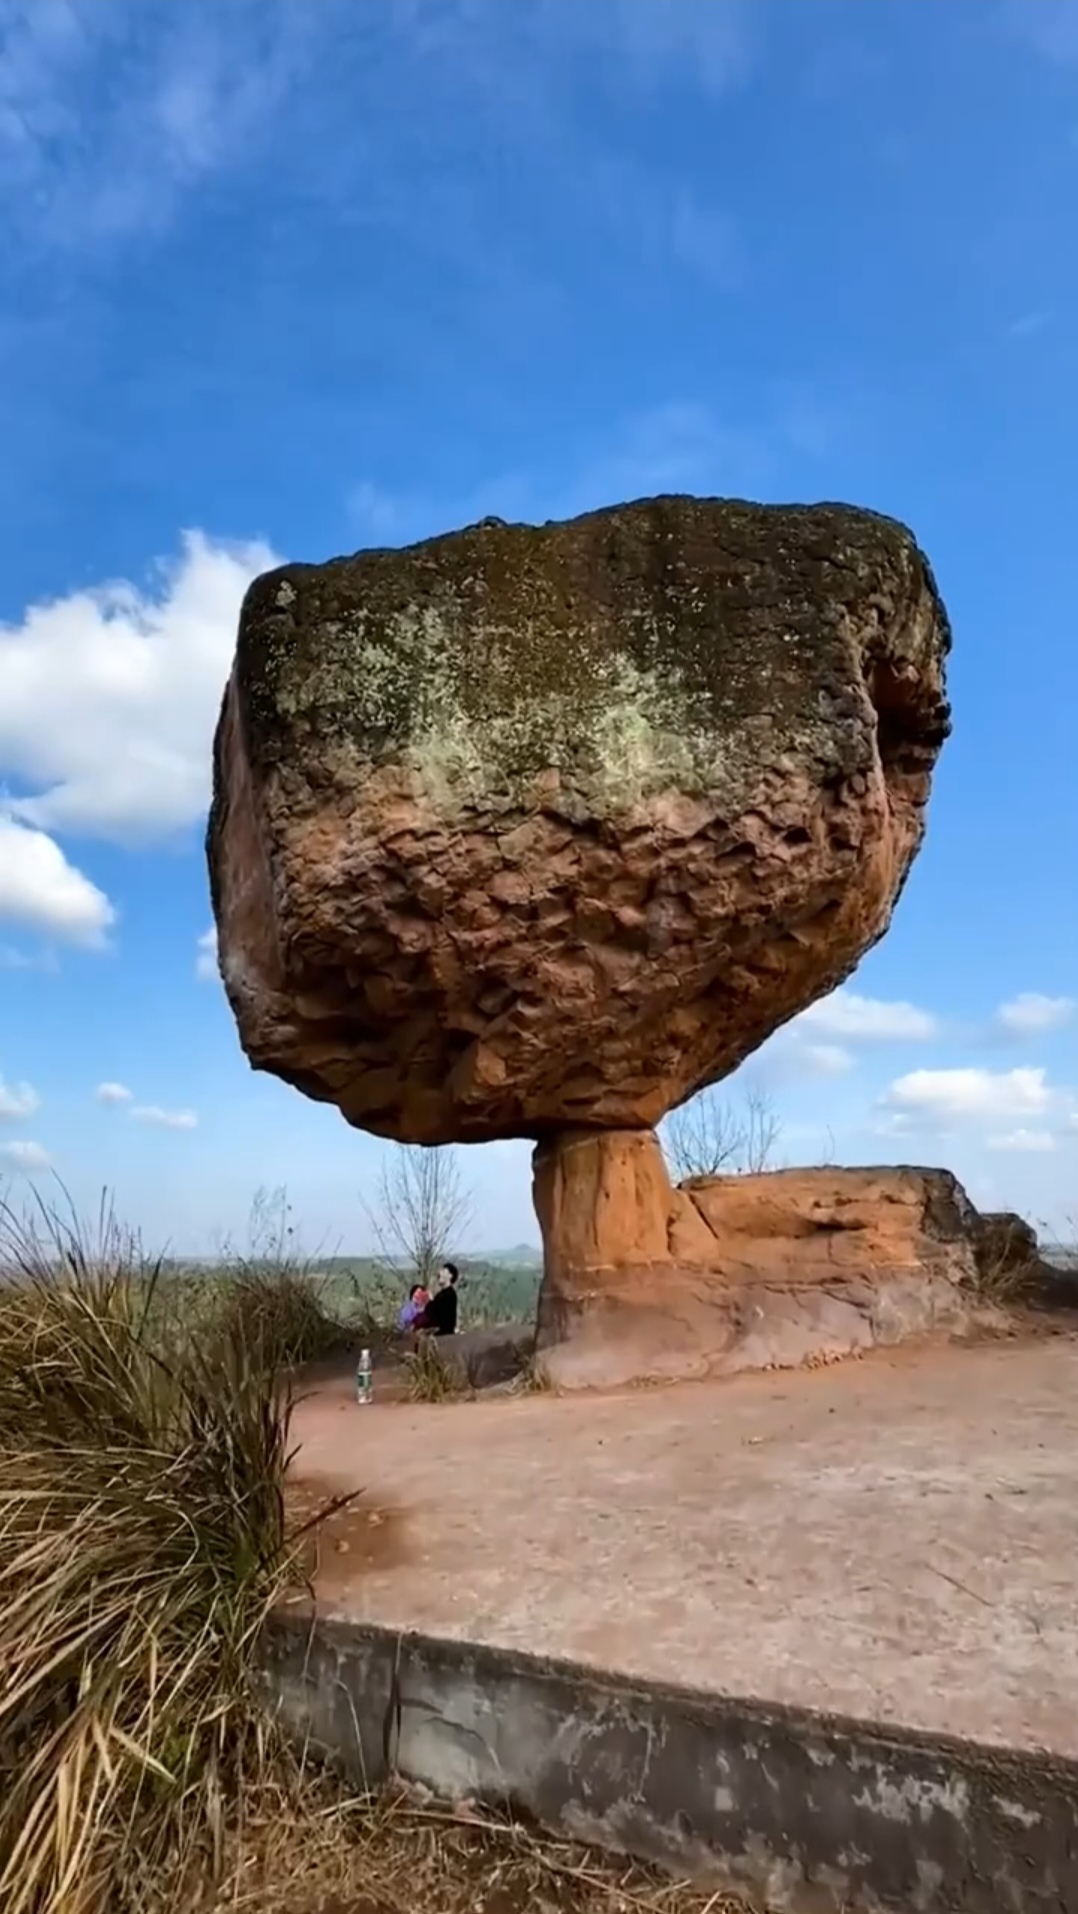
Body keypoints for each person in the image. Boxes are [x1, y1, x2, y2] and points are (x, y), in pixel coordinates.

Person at [421, 1262, 460, 1337]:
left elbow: (443, 1320)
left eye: (443, 1270)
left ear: (450, 1276)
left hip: (442, 1336)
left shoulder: (450, 1295)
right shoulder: (441, 1294)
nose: (439, 1272)